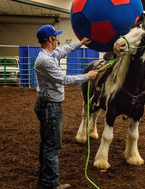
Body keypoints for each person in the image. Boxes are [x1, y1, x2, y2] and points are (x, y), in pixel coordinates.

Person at [34, 25, 98, 189]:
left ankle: (44, 177)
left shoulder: (48, 55)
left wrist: (80, 43)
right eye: (55, 37)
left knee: (46, 144)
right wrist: (87, 76)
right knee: (53, 146)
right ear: (50, 39)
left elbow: (63, 50)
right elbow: (64, 79)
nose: (57, 39)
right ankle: (51, 183)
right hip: (51, 107)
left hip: (44, 104)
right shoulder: (46, 61)